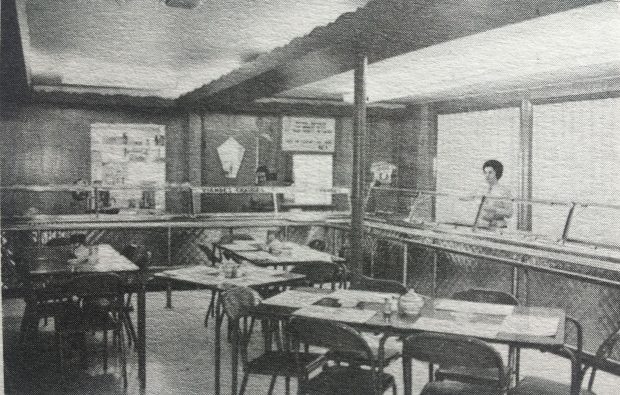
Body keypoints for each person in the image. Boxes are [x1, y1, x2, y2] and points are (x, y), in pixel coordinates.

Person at [477, 159, 513, 228]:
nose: (487, 175)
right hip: (483, 225)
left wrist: (494, 209)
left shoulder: (504, 191)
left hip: (498, 226)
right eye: (485, 172)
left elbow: (509, 213)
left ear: (497, 173)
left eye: (490, 173)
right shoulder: (482, 189)